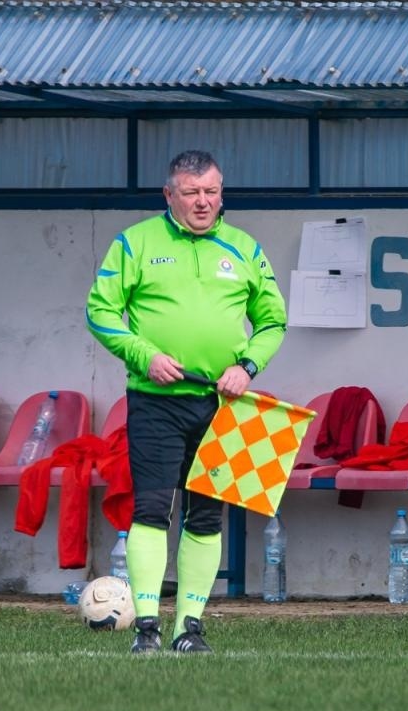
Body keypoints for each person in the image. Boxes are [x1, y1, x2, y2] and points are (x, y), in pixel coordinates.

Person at [86, 150, 287, 654]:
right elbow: (100, 310)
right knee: (152, 510)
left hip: (223, 405)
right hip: (155, 400)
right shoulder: (135, 243)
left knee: (205, 518)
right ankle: (147, 627)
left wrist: (247, 368)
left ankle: (189, 628)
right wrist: (143, 354)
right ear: (169, 195)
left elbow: (273, 321)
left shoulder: (243, 247)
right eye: (193, 192)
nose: (204, 202)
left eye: (212, 191)